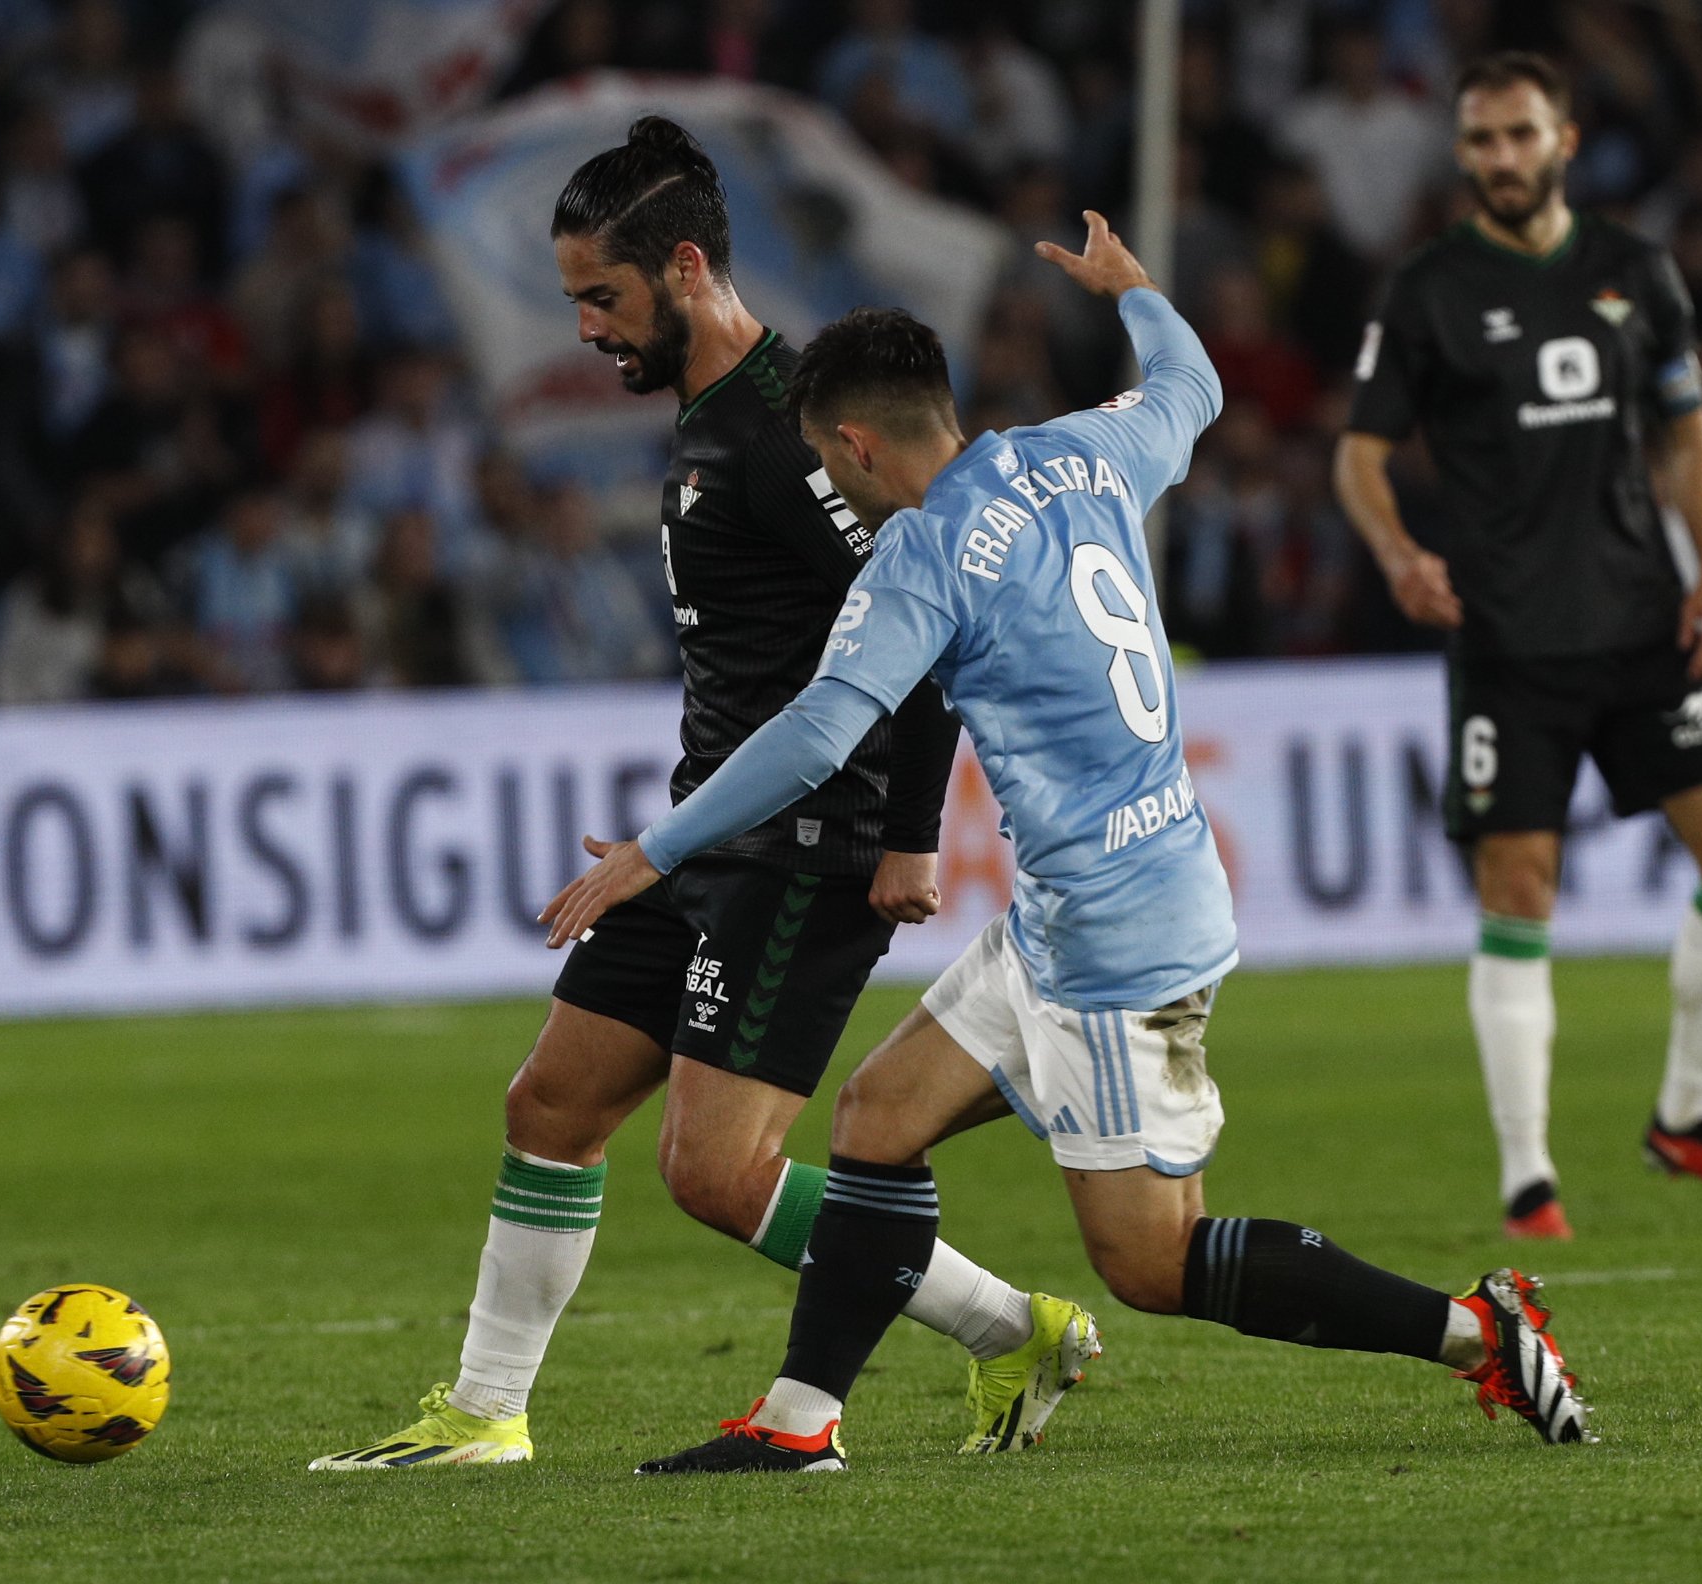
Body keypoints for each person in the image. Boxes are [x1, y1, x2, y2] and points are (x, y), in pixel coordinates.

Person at [545, 211, 1592, 1476]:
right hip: (1093, 899)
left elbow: (817, 732)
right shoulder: (1083, 451)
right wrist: (1135, 290)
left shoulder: (921, 554)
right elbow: (1192, 384)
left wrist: (652, 850)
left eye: (827, 457)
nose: (831, 479)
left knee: (1151, 1262)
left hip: (1113, 944)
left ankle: (1478, 1333)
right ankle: (799, 1422)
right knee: (876, 1117)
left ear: (857, 444)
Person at [308, 117, 1089, 1474]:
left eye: (601, 297)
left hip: (809, 848)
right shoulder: (709, 421)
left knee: (717, 1176)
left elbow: (926, 629)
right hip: (706, 830)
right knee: (551, 1107)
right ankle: (486, 1418)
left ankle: (1009, 1328)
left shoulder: (793, 437)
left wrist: (910, 835)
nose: (586, 329)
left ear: (683, 269)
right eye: (574, 301)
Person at [1332, 53, 1702, 1243]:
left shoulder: (1636, 270)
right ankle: (1529, 1179)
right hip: (1507, 641)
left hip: (1644, 620)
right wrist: (1396, 551)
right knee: (1518, 889)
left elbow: (1687, 435)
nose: (1499, 158)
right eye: (1480, 140)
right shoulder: (1427, 289)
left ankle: (1689, 1114)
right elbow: (1359, 454)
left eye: (1519, 135)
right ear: (1462, 152)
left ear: (1564, 141)